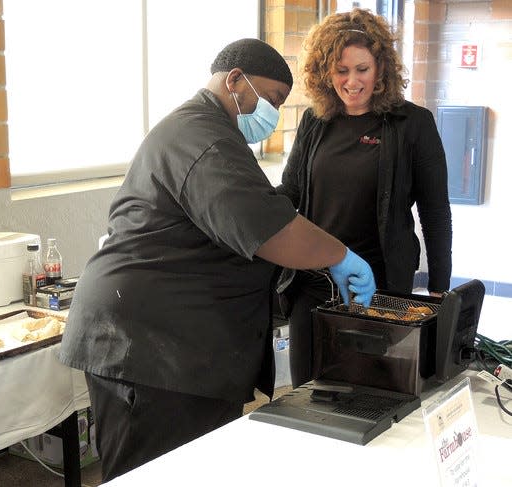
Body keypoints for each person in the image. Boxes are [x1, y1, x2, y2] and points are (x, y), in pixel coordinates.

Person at [59, 38, 375, 482]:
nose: (273, 113)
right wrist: (340, 257)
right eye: (272, 99)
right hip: (145, 346)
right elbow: (265, 227)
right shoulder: (201, 136)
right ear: (234, 81)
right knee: (157, 472)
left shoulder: (213, 134)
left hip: (179, 344)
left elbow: (245, 212)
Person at [275, 9, 452, 388]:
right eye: (341, 70)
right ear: (325, 73)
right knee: (309, 394)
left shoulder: (413, 125)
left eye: (362, 69)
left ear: (381, 69)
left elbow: (435, 215)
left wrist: (440, 296)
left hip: (379, 292)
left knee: (372, 395)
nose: (352, 81)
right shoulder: (315, 122)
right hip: (314, 288)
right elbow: (288, 195)